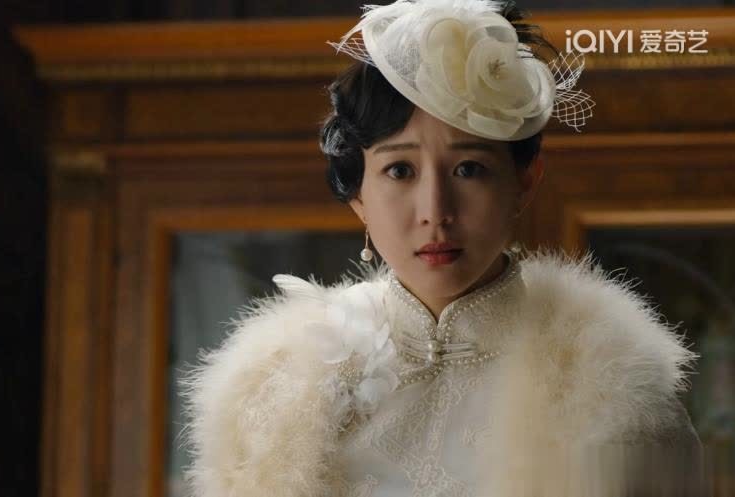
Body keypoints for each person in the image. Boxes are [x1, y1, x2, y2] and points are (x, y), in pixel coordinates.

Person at [181, 0, 703, 495]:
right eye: (399, 171)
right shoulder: (277, 390)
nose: (435, 209)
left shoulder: (613, 390)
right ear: (358, 195)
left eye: (468, 168)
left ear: (524, 181)